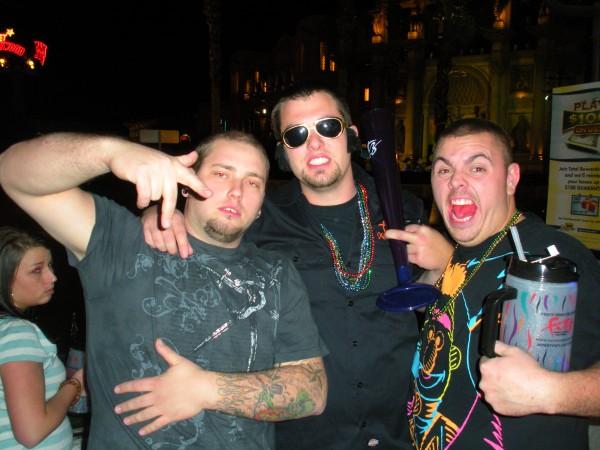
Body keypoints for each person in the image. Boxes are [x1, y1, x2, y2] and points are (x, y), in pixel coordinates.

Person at [141, 83, 454, 449]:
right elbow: (208, 232)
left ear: (352, 136)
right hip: (306, 434)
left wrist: (445, 263)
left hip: (400, 431)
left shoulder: (402, 208)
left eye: (328, 127)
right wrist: (162, 215)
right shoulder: (261, 218)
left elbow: (428, 305)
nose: (315, 143)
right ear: (282, 152)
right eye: (297, 135)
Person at [0, 130, 327, 449]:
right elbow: (12, 172)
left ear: (261, 206)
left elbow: (313, 393)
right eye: (221, 174)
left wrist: (206, 389)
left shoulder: (277, 273)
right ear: (186, 184)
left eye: (253, 182)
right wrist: (112, 153)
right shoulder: (122, 242)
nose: (237, 191)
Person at [387, 118, 600, 449]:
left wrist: (551, 392)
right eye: (443, 170)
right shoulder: (457, 251)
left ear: (511, 178)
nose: (456, 181)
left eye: (477, 168)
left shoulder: (552, 258)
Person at [0, 226, 85, 449]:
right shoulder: (16, 333)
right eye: (37, 270)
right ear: (5, 279)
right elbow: (32, 432)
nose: (52, 277)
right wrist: (75, 384)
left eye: (50, 266)